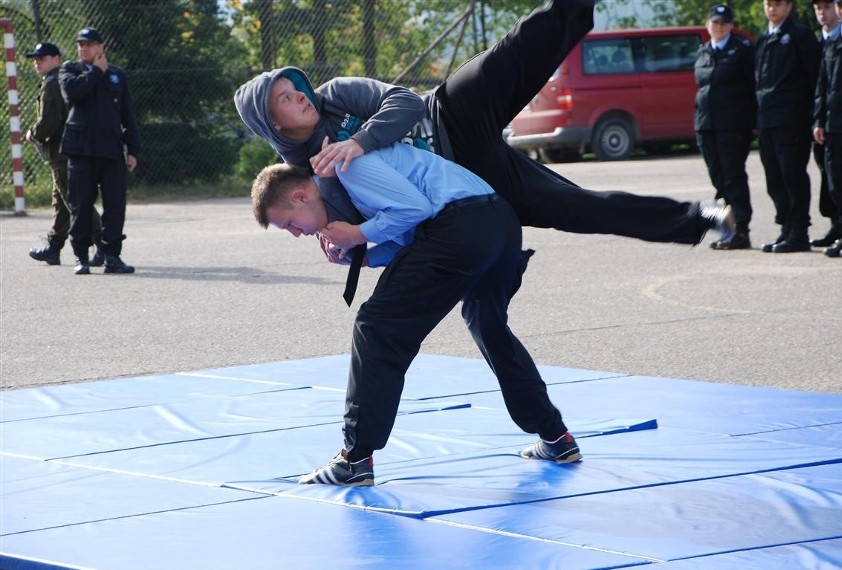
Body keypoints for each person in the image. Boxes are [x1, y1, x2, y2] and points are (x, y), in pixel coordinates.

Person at [234, 0, 734, 267]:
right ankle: (698, 219)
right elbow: (373, 226)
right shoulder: (311, 181)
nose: (300, 94)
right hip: (467, 179)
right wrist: (349, 252)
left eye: (294, 86)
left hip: (451, 114)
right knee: (576, 209)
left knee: (524, 44)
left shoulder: (336, 93)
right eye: (285, 97)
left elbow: (404, 101)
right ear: (273, 124)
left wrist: (359, 141)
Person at [251, 141, 582, 486]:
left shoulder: (345, 172)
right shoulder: (343, 186)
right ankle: (556, 437)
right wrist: (363, 256)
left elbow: (414, 210)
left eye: (288, 223)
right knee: (488, 325)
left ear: (301, 197)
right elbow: (411, 230)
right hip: (498, 223)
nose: (295, 234)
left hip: (460, 227)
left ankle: (355, 459)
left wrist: (357, 233)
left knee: (376, 326)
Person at [58, 27, 141, 275]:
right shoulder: (70, 70)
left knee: (115, 206)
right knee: (81, 205)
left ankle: (112, 255)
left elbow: (128, 114)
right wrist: (95, 71)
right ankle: (81, 256)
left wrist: (134, 149)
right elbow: (72, 93)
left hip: (111, 151)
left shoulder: (117, 75)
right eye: (81, 44)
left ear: (101, 47)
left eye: (89, 44)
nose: (84, 48)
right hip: (81, 151)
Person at [24, 41, 104, 267]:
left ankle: (103, 242)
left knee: (75, 201)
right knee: (60, 200)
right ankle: (54, 246)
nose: (37, 62)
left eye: (43, 57)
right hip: (68, 150)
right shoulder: (63, 79)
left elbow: (49, 121)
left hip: (62, 152)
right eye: (36, 58)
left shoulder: (52, 82)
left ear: (56, 58)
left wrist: (33, 133)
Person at [755, 0, 821, 253]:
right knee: (775, 178)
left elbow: (814, 77)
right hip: (766, 121)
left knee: (792, 175)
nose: (772, 8)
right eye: (768, 3)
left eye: (778, 4)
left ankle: (799, 231)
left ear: (789, 6)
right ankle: (785, 227)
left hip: (792, 120)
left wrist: (811, 115)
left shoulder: (799, 36)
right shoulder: (763, 39)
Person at [694, 5, 757, 250]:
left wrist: (752, 122)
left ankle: (741, 229)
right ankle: (728, 228)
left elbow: (752, 88)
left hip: (732, 126)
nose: (719, 26)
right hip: (706, 125)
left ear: (731, 25)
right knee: (718, 179)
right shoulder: (703, 52)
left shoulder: (741, 51)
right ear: (708, 25)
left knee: (733, 178)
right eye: (715, 22)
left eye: (723, 23)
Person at [813, 0, 842, 258]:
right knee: (838, 185)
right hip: (833, 125)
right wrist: (818, 120)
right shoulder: (834, 41)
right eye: (840, 5)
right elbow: (822, 86)